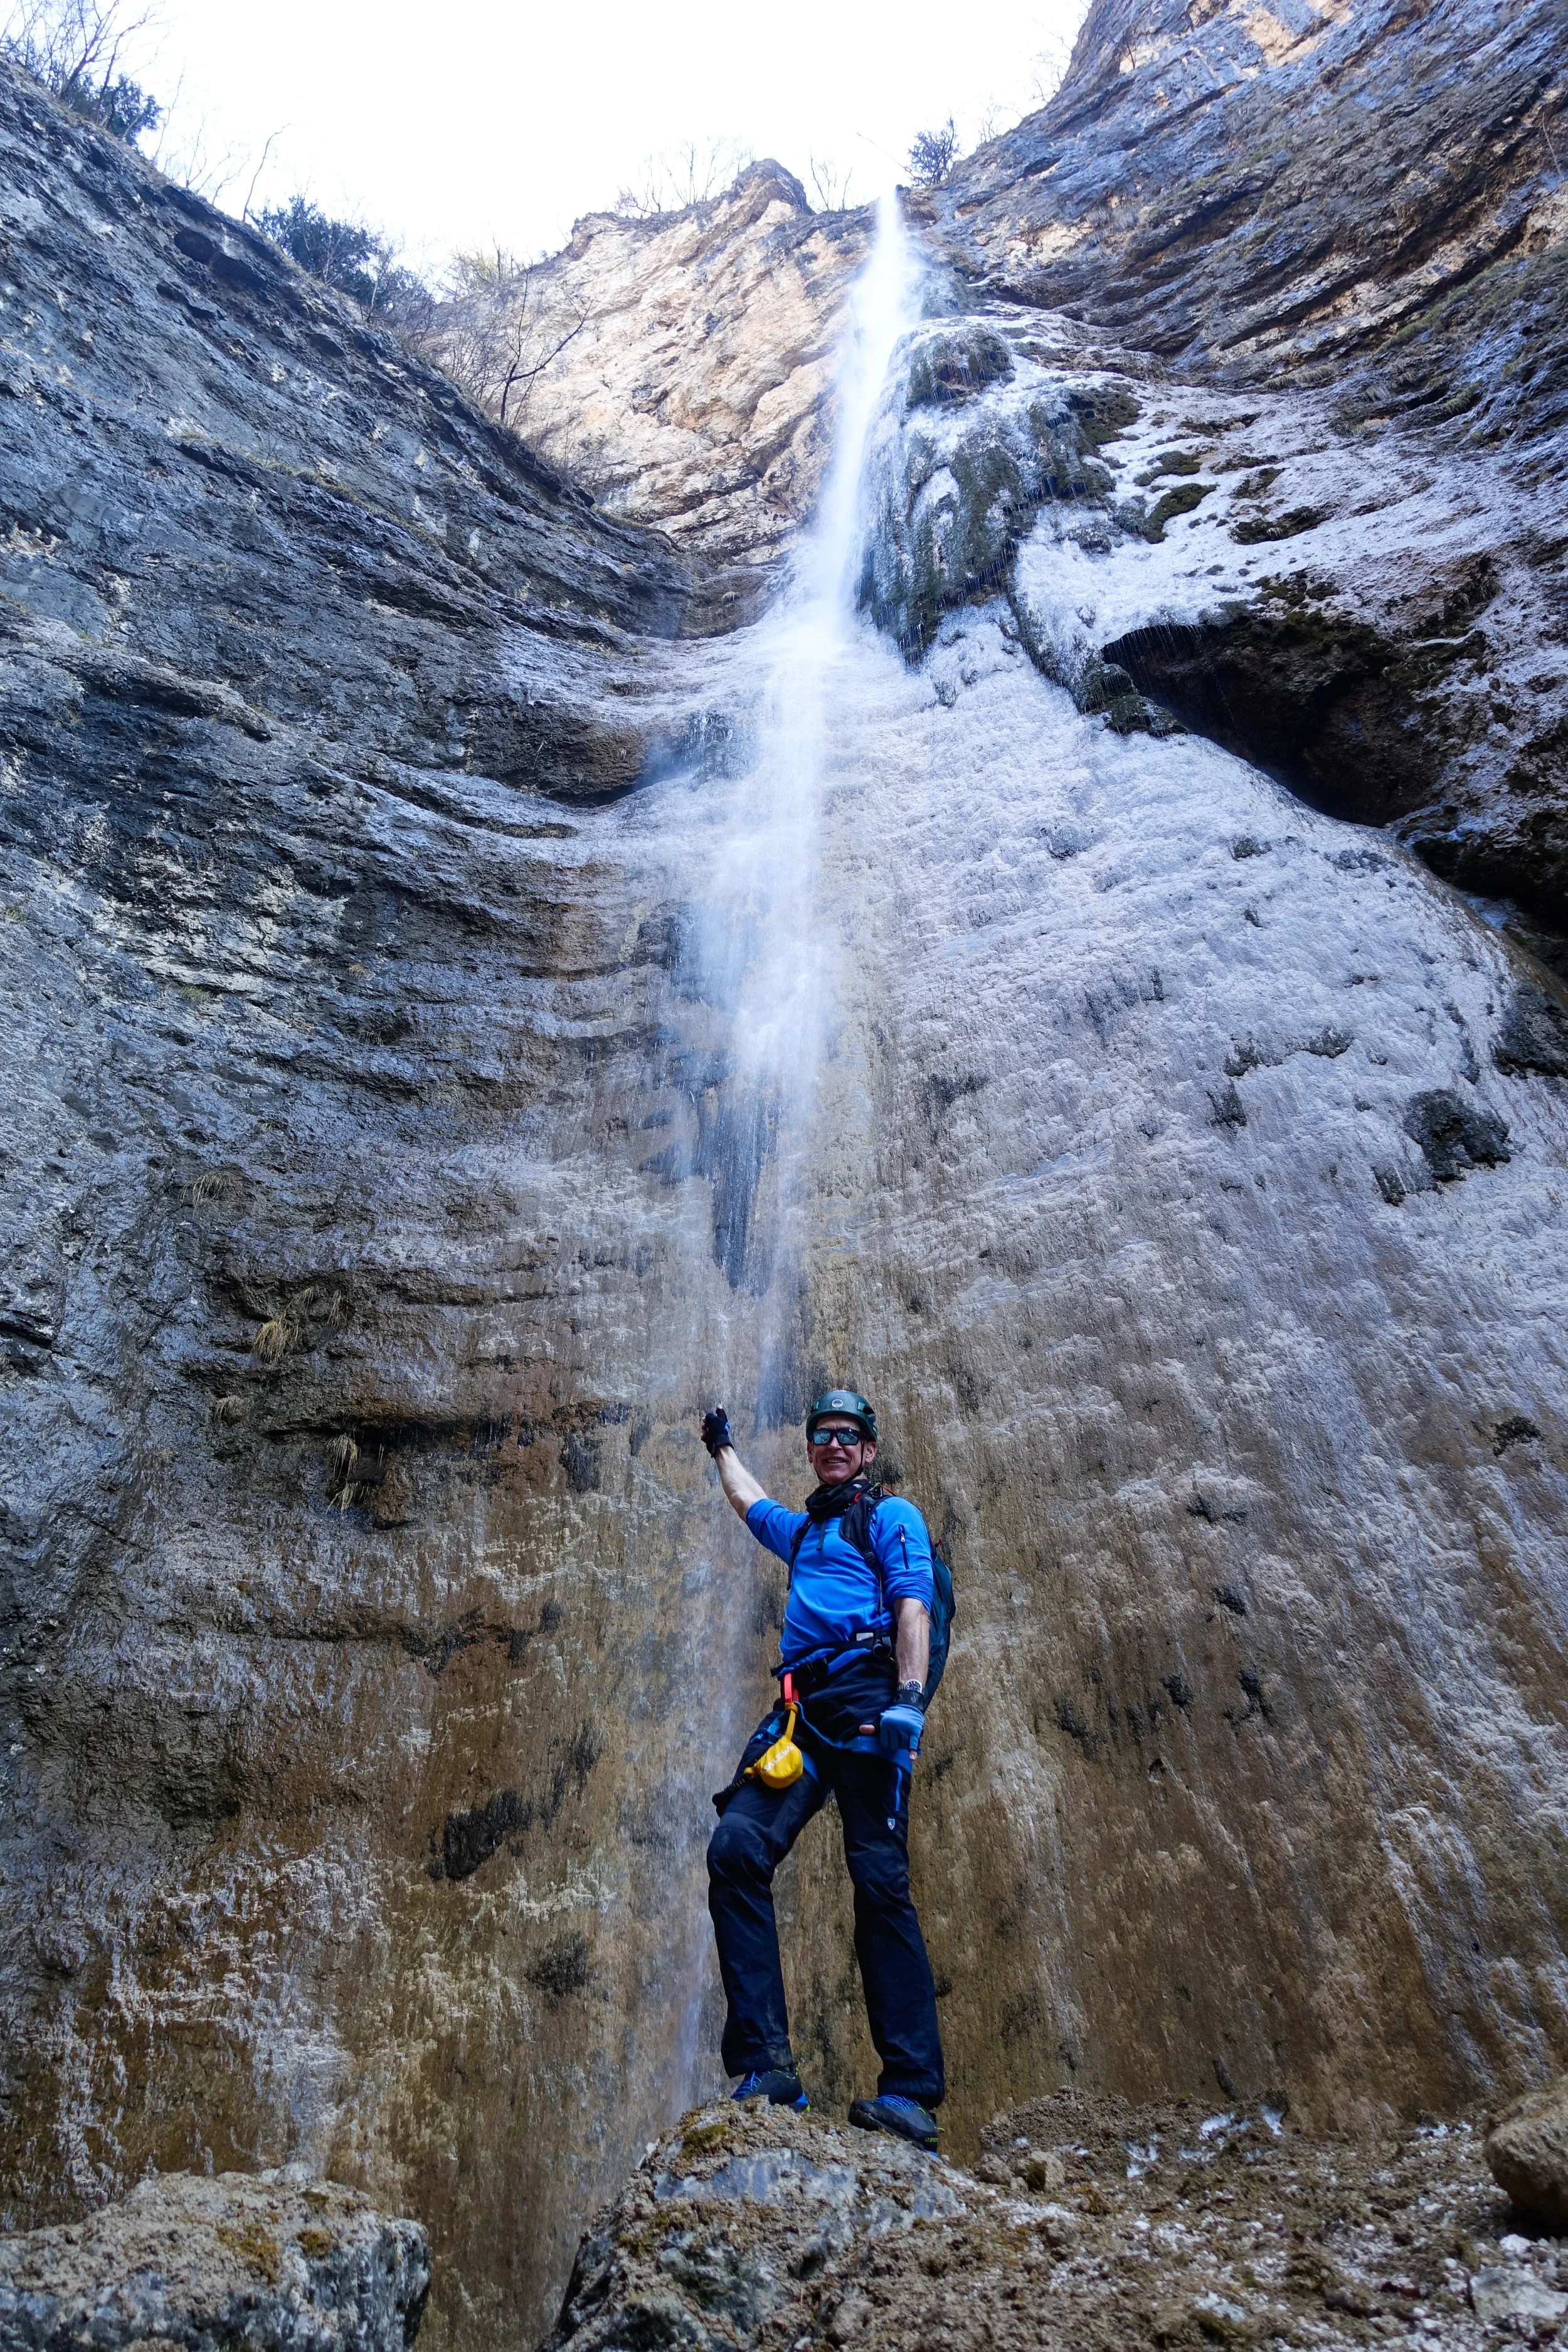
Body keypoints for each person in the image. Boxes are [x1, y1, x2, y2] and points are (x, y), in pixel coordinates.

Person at [699, 1387, 945, 2151]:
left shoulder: (892, 1516)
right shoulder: (803, 1532)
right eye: (822, 1435)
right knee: (736, 1849)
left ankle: (910, 2093)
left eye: (847, 1435)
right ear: (811, 1450)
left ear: (867, 1451)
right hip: (801, 1711)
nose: (833, 1445)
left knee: (878, 1881)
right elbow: (748, 1502)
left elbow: (913, 1605)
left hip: (871, 1699)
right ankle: (768, 2069)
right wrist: (721, 1448)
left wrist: (909, 1698)